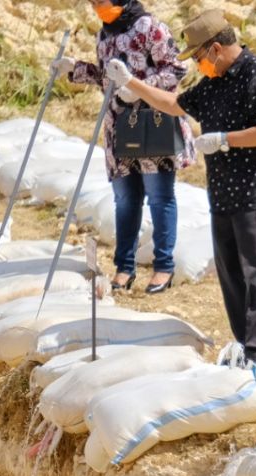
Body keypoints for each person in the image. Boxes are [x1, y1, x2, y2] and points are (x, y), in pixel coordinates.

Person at [106, 9, 256, 378]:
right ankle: (245, 344)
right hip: (224, 190)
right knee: (231, 271)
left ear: (218, 49)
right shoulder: (217, 80)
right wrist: (133, 84)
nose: (200, 65)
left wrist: (226, 141)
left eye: (201, 57)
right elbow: (176, 104)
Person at [53, 0, 194, 294]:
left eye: (100, 2)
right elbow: (107, 77)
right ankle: (124, 267)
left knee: (159, 196)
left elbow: (177, 69)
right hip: (119, 126)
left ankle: (163, 267)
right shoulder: (105, 33)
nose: (96, 7)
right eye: (92, 3)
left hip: (152, 122)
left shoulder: (150, 28)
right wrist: (75, 69)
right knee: (125, 199)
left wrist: (137, 85)